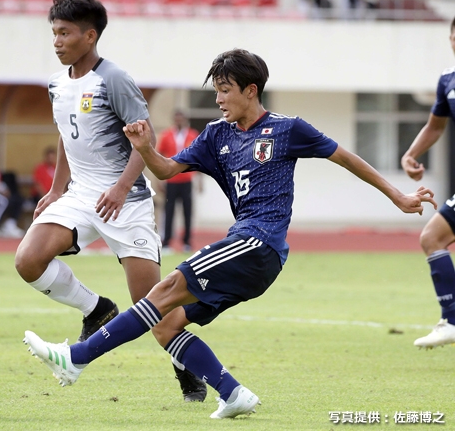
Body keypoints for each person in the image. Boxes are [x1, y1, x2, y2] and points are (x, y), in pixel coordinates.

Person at [22, 48, 437, 419]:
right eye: (216, 91)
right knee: (166, 325)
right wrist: (146, 147)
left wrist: (397, 195)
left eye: (224, 90)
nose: (218, 99)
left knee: (161, 292)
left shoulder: (288, 129)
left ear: (250, 90)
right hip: (244, 249)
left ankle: (75, 358)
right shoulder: (215, 135)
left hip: (259, 244)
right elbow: (166, 170)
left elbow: (346, 158)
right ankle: (232, 393)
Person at [14, 0, 207, 402]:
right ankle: (95, 308)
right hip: (81, 196)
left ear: (90, 36)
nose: (57, 41)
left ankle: (185, 369)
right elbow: (68, 136)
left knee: (153, 308)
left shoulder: (113, 79)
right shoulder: (55, 83)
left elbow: (145, 138)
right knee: (28, 260)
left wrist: (121, 188)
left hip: (128, 203)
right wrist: (56, 188)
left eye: (64, 33)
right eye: (54, 33)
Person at [401, 16, 455, 349]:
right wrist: (410, 154)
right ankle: (450, 319)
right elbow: (435, 126)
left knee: (432, 236)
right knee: (432, 237)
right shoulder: (447, 82)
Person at [157, 110, 200, 252]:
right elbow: (160, 155)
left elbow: (199, 157)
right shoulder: (167, 135)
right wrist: (159, 177)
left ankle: (186, 242)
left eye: (181, 118)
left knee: (187, 211)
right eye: (177, 118)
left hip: (186, 179)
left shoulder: (192, 135)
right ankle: (167, 242)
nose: (179, 121)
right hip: (171, 179)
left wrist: (199, 179)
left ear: (185, 120)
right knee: (169, 211)